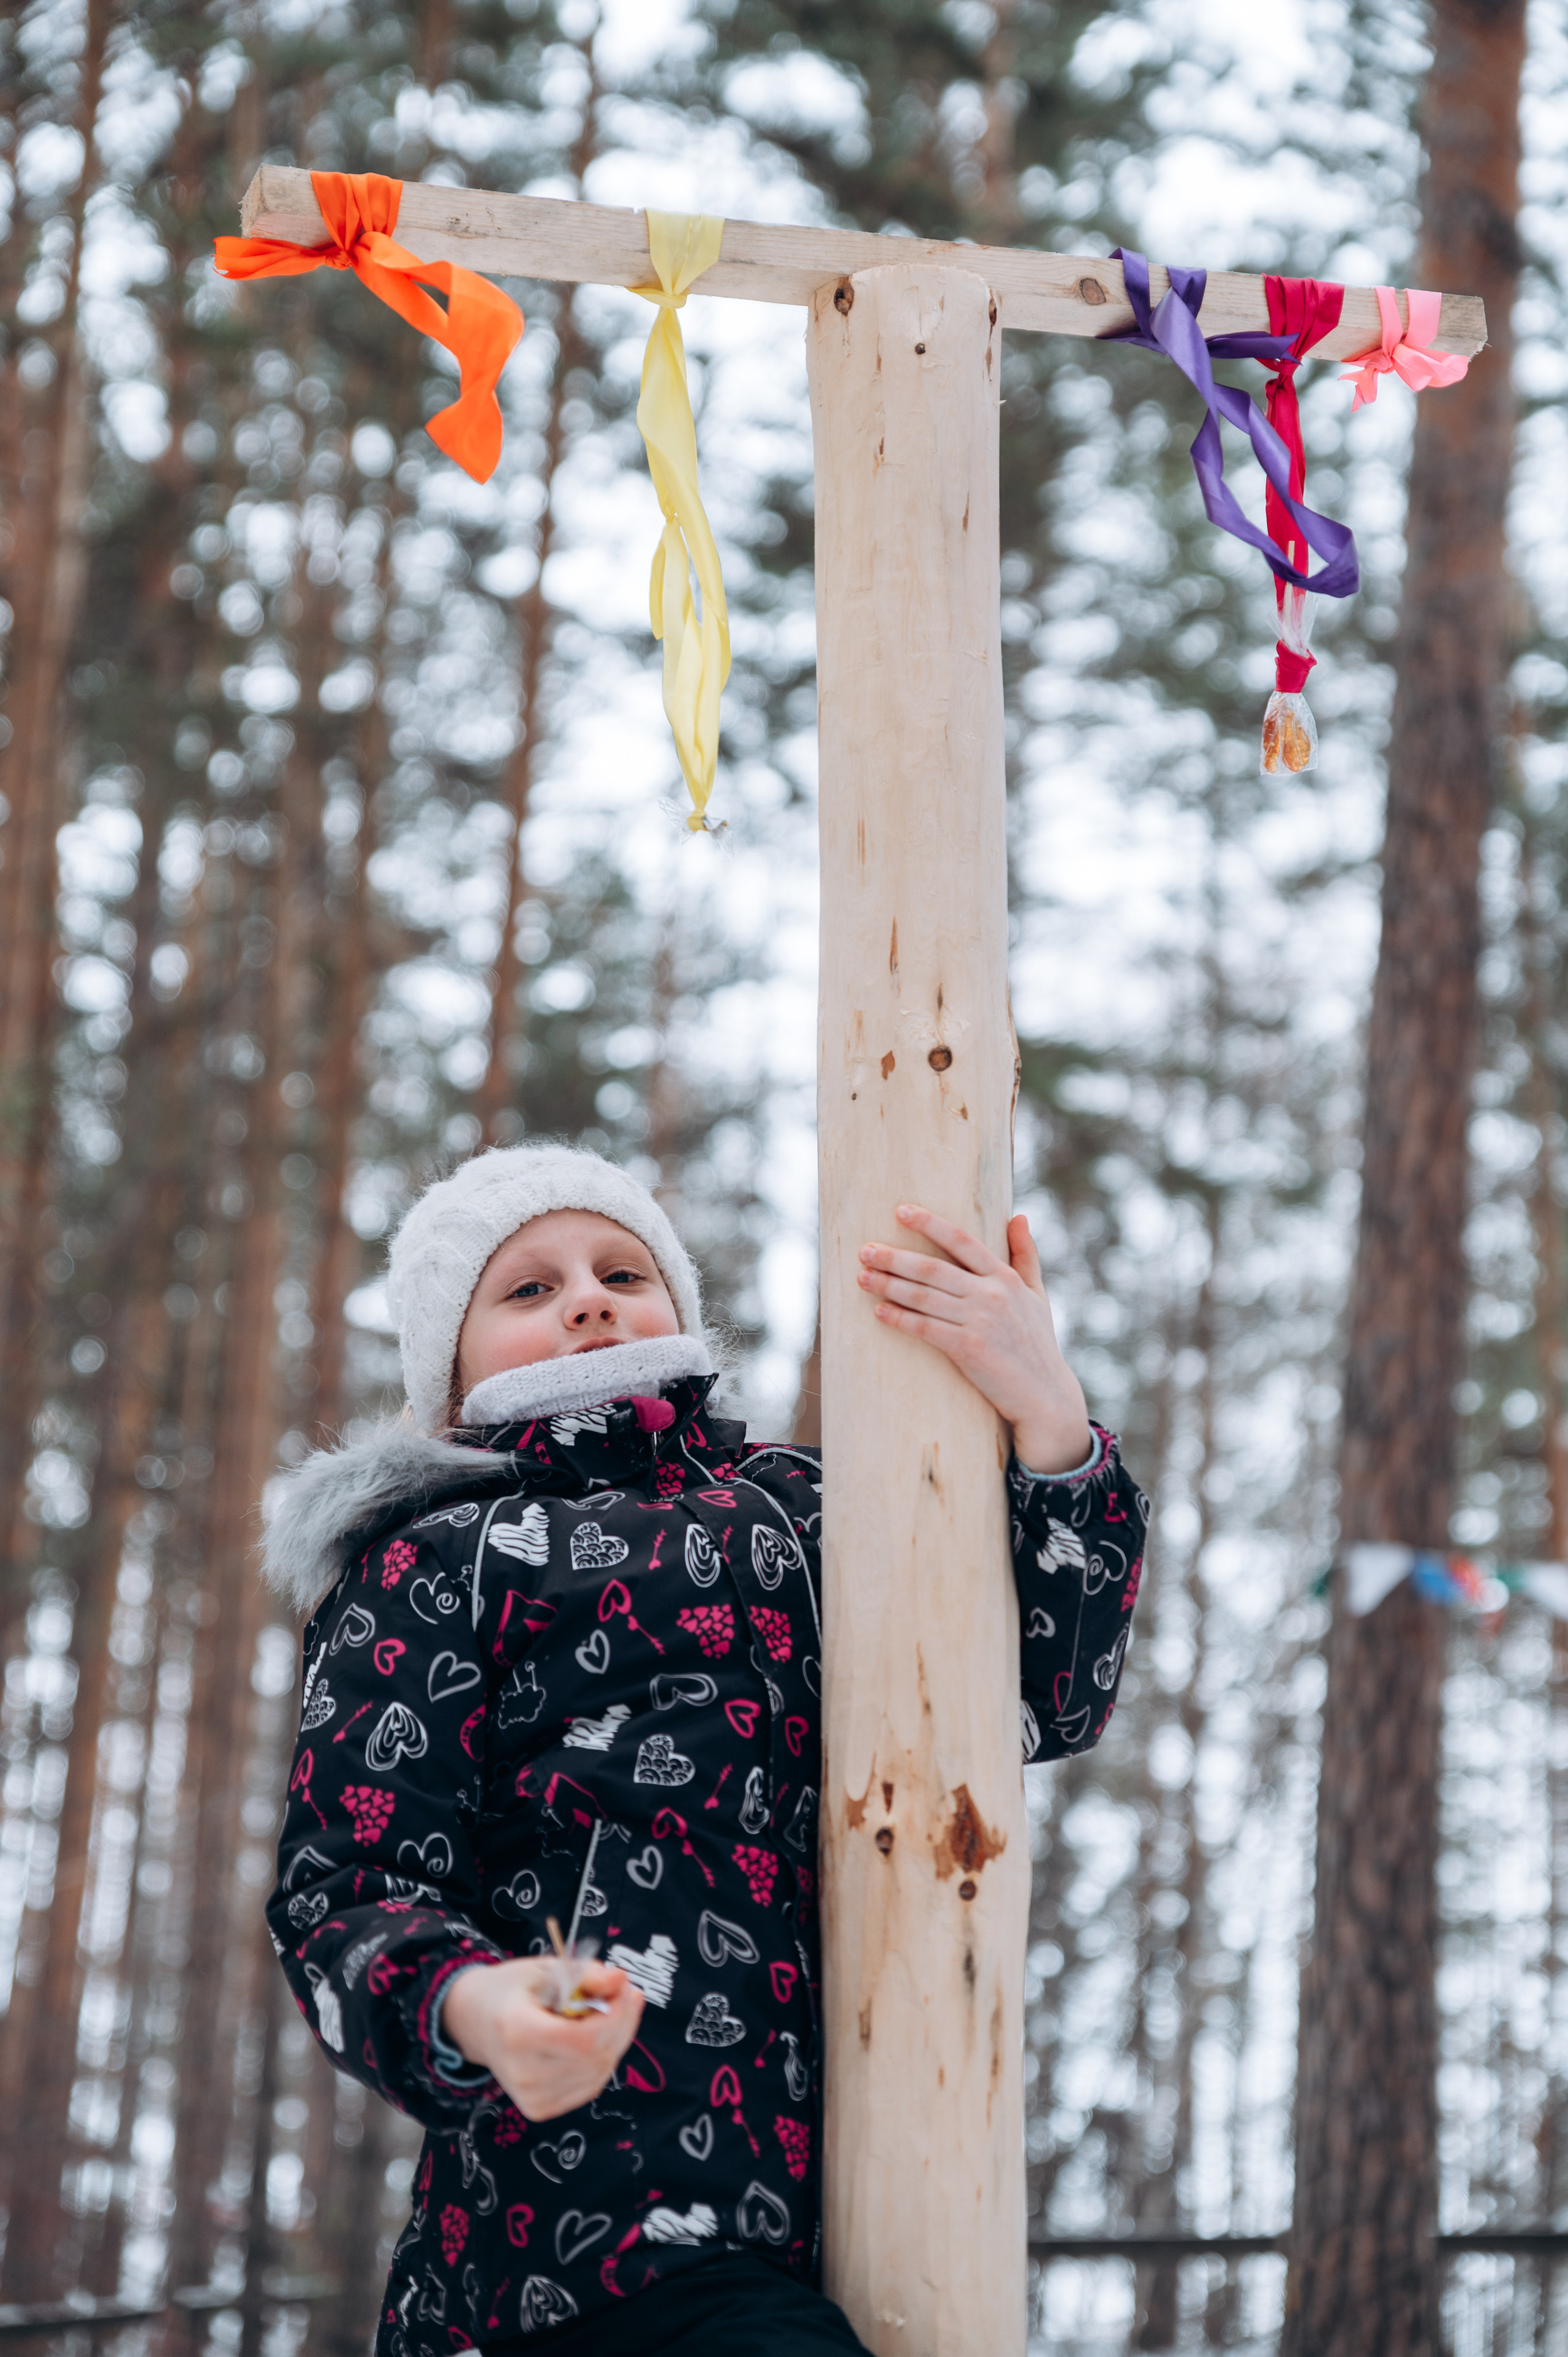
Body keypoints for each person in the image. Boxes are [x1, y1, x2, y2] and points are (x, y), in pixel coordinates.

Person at [263, 1144, 1147, 2354]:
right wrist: (468, 2002)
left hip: (860, 2197)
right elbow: (344, 1887)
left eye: (621, 1267)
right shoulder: (437, 1552)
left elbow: (1040, 1697)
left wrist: (1047, 1417)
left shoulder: (817, 1505)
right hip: (578, 2229)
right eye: (525, 1289)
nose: (585, 1294)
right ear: (449, 1375)